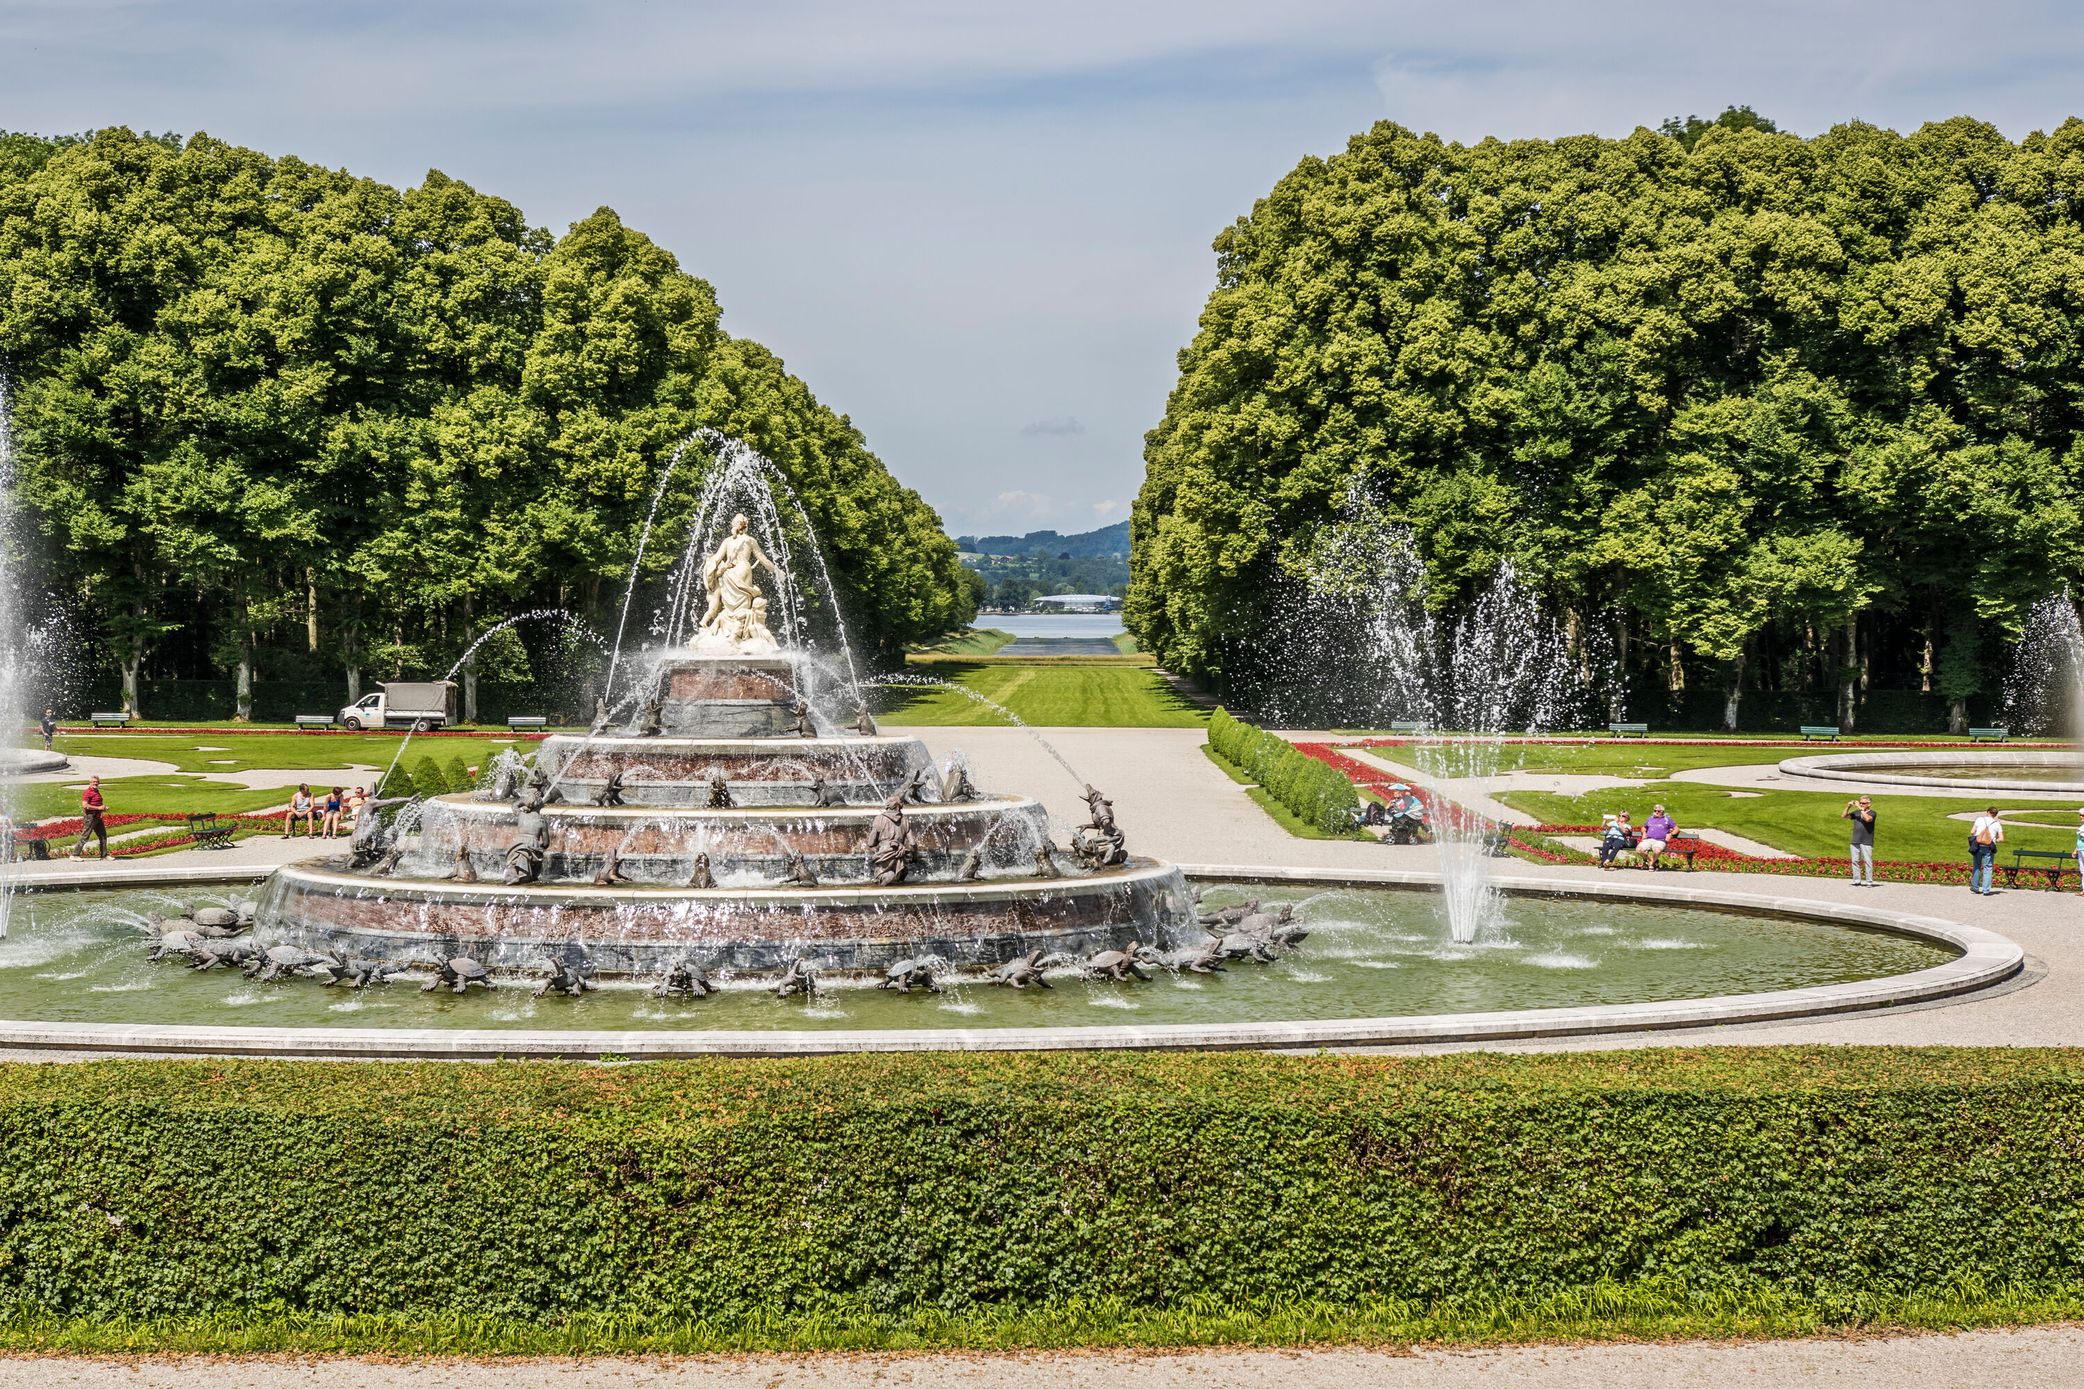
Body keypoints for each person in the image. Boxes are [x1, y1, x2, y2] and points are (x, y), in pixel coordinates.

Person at [69, 775, 108, 860]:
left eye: (97, 782)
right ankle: (74, 855)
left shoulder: (96, 791)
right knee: (85, 836)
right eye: (94, 782)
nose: (95, 783)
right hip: (90, 817)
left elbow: (96, 803)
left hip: (97, 817)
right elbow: (85, 805)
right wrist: (98, 808)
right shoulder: (87, 792)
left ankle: (104, 856)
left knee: (103, 836)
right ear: (90, 783)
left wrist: (103, 808)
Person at [1968, 806, 2004, 896]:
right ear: (1995, 814)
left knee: (1976, 866)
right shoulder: (1997, 824)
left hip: (1978, 845)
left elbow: (1972, 832)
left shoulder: (1979, 819)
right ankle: (1986, 890)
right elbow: (2001, 838)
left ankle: (1975, 887)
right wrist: (1994, 839)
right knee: (1988, 867)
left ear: (1987, 812)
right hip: (1989, 847)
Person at [1844, 796, 1878, 887]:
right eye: (1860, 802)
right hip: (1855, 840)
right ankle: (1856, 881)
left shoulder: (1873, 813)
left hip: (1866, 841)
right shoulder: (1857, 813)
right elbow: (1844, 816)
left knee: (1867, 861)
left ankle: (1869, 882)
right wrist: (1848, 807)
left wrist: (1860, 808)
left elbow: (1867, 819)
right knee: (1855, 861)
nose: (1861, 804)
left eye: (1863, 803)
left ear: (1869, 804)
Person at [1639, 804, 1676, 870]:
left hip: (1660, 840)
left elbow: (1676, 829)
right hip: (1648, 840)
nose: (1656, 812)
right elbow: (1643, 827)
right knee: (1639, 850)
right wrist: (1644, 833)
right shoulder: (1650, 818)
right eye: (1655, 810)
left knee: (1657, 851)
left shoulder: (1667, 819)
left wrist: (1671, 834)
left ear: (1662, 812)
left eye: (1658, 811)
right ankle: (1652, 862)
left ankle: (1651, 864)